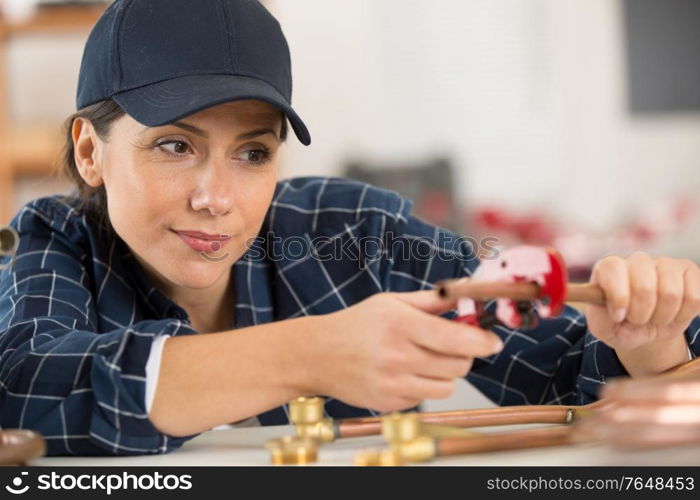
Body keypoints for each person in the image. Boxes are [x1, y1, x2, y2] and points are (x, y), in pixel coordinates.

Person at [0, 0, 698, 457]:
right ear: (91, 152)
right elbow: (28, 391)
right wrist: (310, 354)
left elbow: (578, 381)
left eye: (253, 153)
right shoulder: (55, 240)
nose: (216, 199)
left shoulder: (355, 231)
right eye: (175, 147)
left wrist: (653, 342)